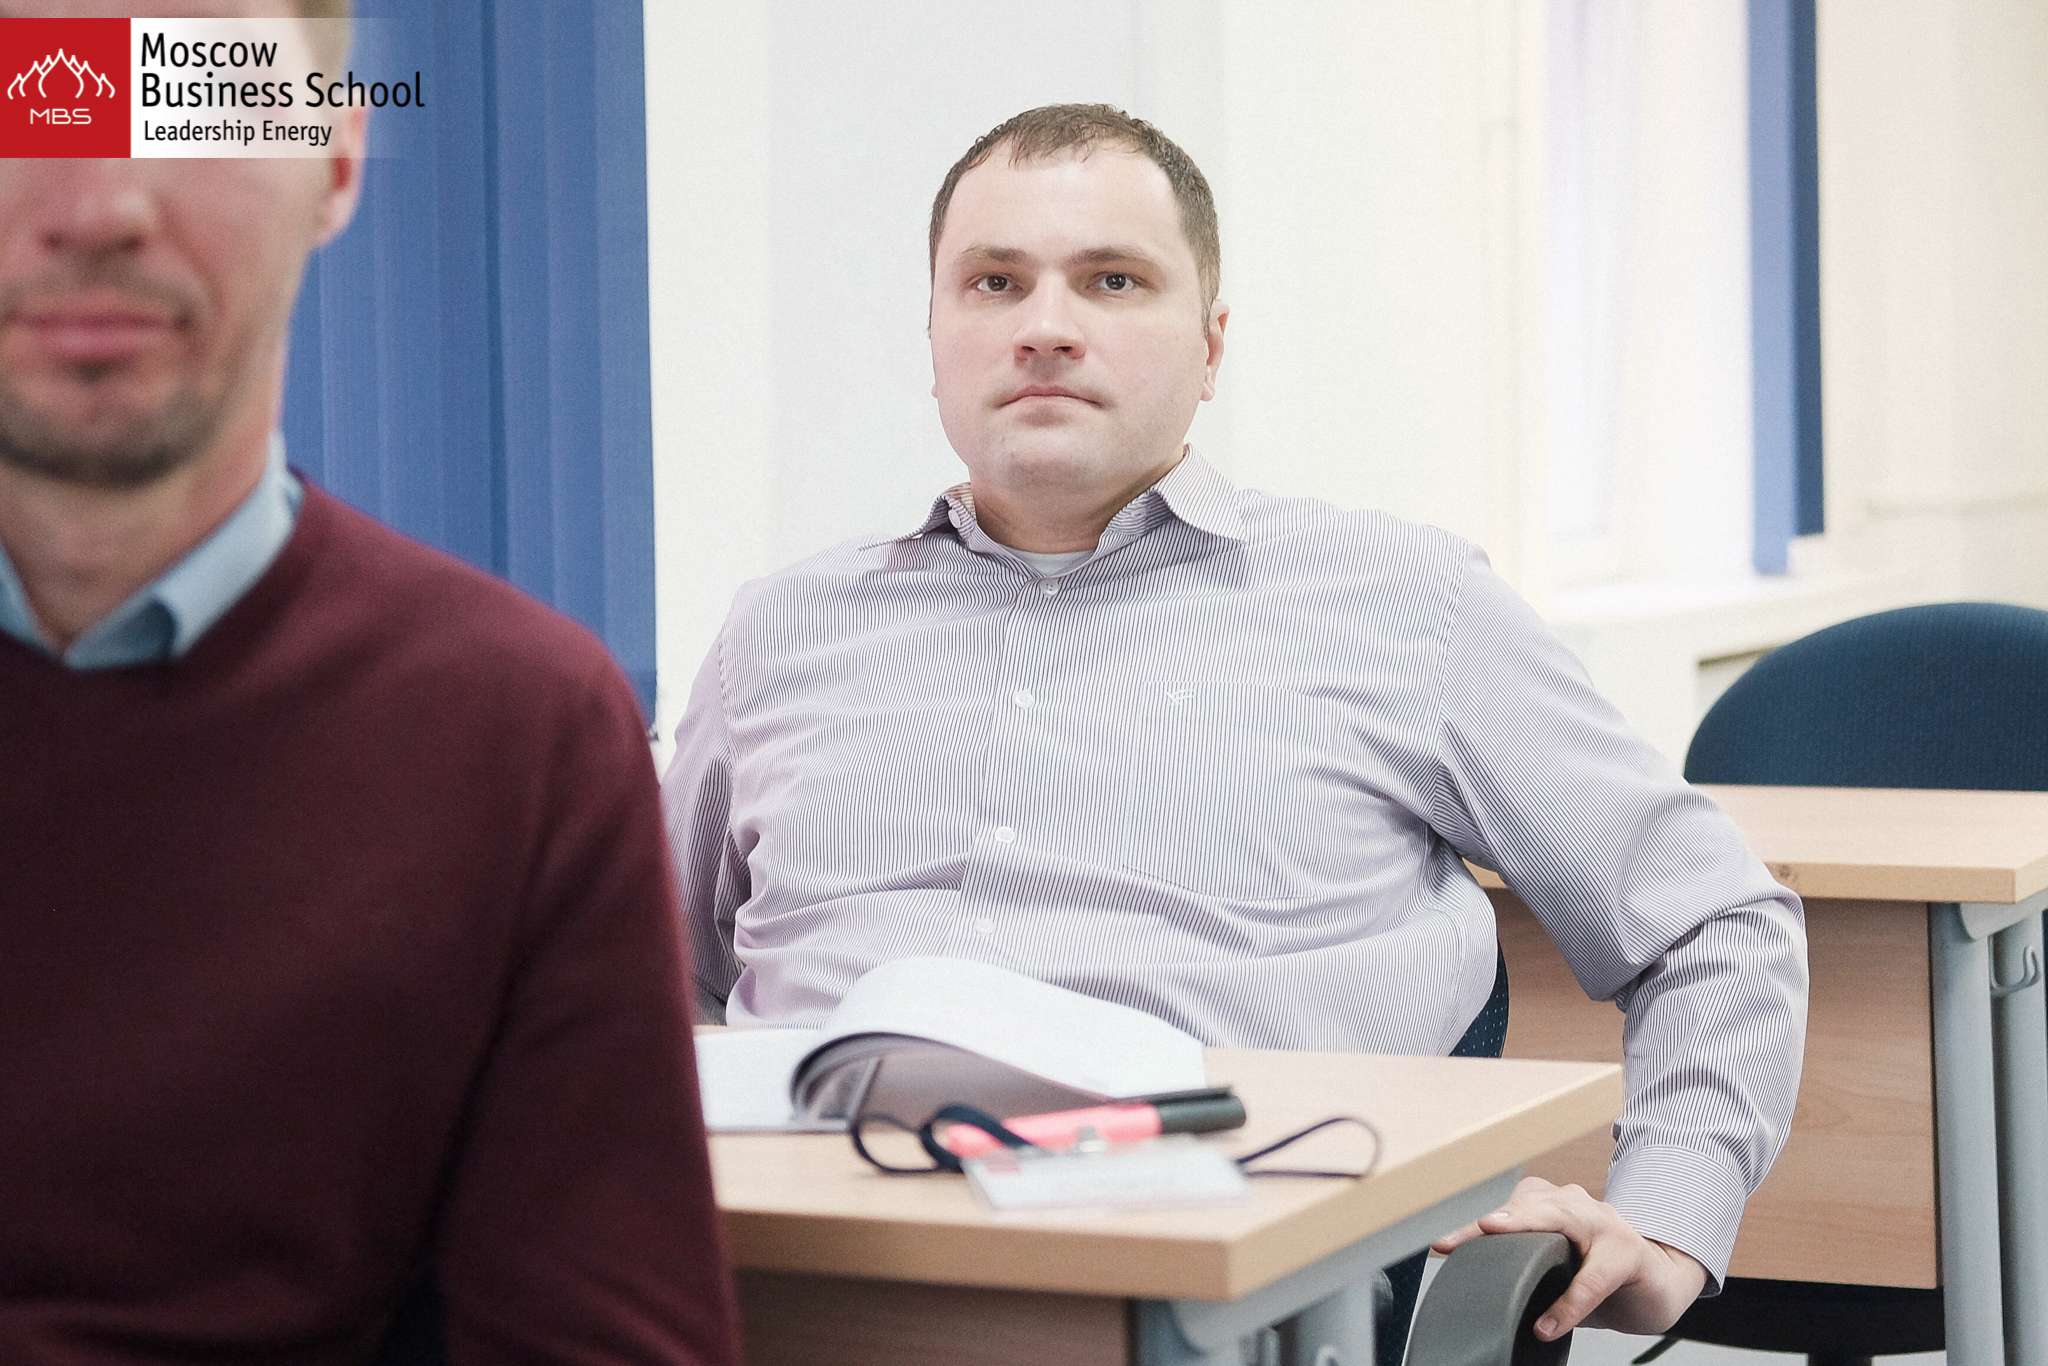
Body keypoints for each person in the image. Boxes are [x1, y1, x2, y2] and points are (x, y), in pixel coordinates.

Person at [663, 102, 1806, 1359]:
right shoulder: (778, 632)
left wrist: (1667, 1223)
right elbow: (644, 987)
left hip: (1207, 1294)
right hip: (771, 1283)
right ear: (933, 338)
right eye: (994, 283)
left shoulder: (1401, 604)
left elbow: (1711, 920)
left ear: (1210, 346)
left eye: (1112, 280)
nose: (1045, 325)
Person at [0, 2, 738, 1362]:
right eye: (31, 94)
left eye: (195, 94)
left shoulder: (516, 738)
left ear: (335, 163)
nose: (103, 204)